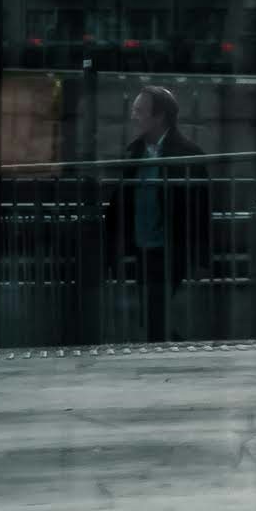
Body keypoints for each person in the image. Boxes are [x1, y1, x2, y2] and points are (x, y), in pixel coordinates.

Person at [110, 83, 211, 339]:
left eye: (140, 111)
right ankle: (174, 351)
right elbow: (121, 201)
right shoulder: (135, 153)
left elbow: (201, 210)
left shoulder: (188, 155)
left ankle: (164, 359)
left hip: (170, 249)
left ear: (159, 116)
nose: (134, 116)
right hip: (143, 247)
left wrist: (201, 257)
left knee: (153, 312)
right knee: (150, 313)